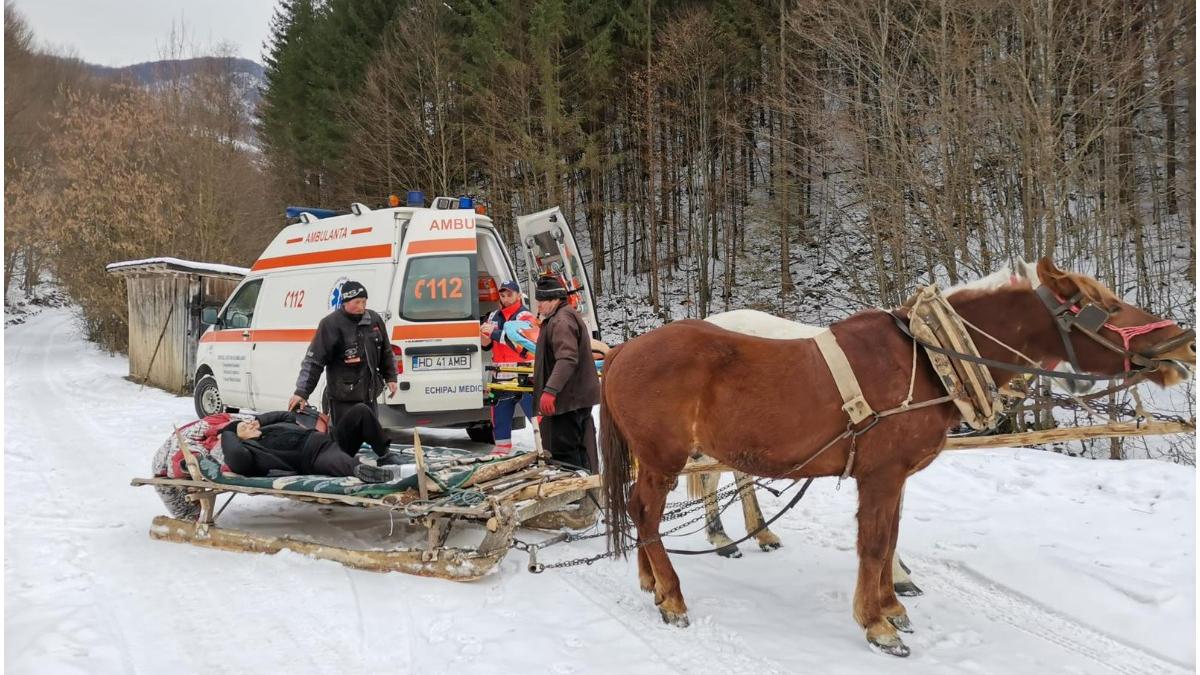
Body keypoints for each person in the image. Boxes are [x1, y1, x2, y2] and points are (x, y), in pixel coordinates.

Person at [288, 281, 398, 424]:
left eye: (364, 302)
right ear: (345, 302)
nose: (361, 307)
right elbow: (314, 361)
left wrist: (391, 377)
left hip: (369, 397)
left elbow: (386, 352)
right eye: (357, 302)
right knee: (345, 443)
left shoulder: (374, 320)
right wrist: (302, 392)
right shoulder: (330, 324)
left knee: (370, 438)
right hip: (343, 399)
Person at [532, 274, 601, 471]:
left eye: (542, 301)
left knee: (564, 452)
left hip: (566, 401)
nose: (539, 306)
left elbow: (567, 358)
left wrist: (550, 390)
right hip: (573, 398)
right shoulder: (561, 317)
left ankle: (575, 494)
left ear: (555, 299)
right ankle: (587, 490)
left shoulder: (561, 321)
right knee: (579, 446)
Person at [219, 403, 392, 482]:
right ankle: (366, 472)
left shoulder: (267, 428)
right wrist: (228, 432)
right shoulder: (251, 452)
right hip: (316, 457)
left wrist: (260, 420)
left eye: (248, 423)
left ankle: (385, 454)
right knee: (343, 463)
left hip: (331, 439)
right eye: (244, 428)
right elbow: (235, 456)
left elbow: (288, 415)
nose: (249, 425)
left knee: (360, 411)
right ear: (238, 439)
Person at [480, 280, 538, 456]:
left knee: (537, 419)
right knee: (500, 423)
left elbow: (519, 342)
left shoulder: (525, 316)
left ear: (518, 295)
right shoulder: (492, 317)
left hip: (524, 374)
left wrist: (494, 333)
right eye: (502, 295)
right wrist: (483, 334)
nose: (505, 299)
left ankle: (548, 451)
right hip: (500, 377)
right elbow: (486, 345)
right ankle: (501, 456)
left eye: (509, 295)